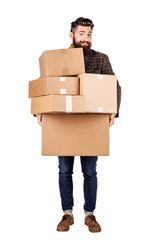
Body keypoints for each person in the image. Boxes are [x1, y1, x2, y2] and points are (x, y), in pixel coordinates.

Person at [37, 17, 121, 233]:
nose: (86, 38)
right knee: (64, 171)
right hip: (64, 122)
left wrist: (113, 110)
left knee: (90, 171)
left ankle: (90, 214)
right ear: (72, 35)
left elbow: (114, 85)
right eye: (81, 33)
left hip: (90, 122)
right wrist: (40, 110)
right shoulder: (58, 59)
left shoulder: (101, 59)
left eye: (89, 34)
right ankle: (67, 214)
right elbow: (45, 85)